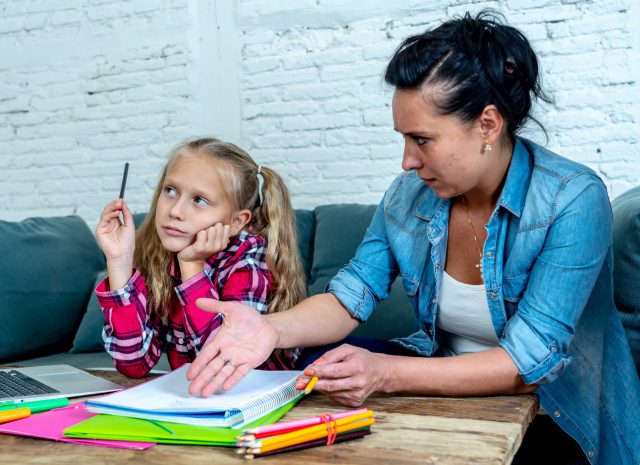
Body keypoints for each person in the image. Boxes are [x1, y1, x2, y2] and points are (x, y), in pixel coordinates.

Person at [186, 12, 640, 465]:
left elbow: (528, 365)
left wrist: (386, 373)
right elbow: (350, 296)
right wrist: (270, 329)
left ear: (487, 124)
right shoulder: (409, 196)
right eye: (404, 138)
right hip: (443, 384)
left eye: (422, 139)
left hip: (556, 413)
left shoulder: (571, 198)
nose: (406, 160)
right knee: (319, 362)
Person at [94, 138, 306, 378]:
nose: (175, 211)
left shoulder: (248, 261)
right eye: (170, 191)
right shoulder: (159, 255)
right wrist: (120, 262)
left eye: (199, 200)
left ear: (236, 222)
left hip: (256, 397)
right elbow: (133, 364)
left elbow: (223, 364)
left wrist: (192, 266)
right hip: (196, 397)